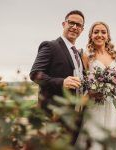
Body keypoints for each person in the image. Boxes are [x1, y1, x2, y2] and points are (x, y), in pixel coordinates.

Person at [29, 10, 85, 145]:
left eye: (78, 25)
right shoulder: (50, 46)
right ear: (64, 24)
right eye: (71, 23)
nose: (74, 27)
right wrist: (62, 82)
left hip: (76, 114)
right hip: (56, 113)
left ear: (82, 30)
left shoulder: (78, 53)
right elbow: (35, 74)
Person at [76, 21, 116, 149]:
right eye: (96, 32)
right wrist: (93, 91)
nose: (99, 35)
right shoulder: (86, 56)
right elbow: (85, 83)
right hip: (96, 106)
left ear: (108, 36)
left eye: (103, 32)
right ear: (91, 35)